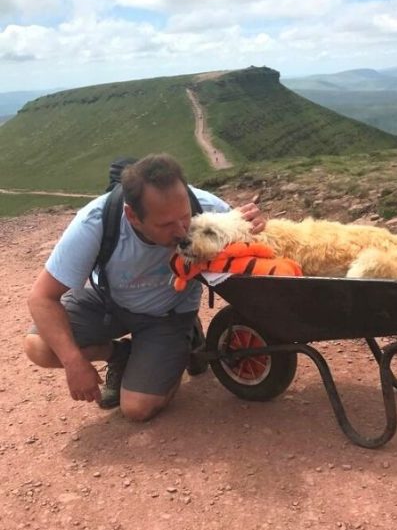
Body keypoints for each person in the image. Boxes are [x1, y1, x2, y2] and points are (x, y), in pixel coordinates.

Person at [23, 154, 265, 421]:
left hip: (168, 314)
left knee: (137, 409)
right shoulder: (96, 221)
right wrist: (73, 361)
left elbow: (256, 252)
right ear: (133, 216)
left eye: (185, 218)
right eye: (165, 224)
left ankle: (186, 336)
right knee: (40, 347)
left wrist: (256, 228)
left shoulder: (207, 207)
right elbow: (42, 298)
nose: (181, 231)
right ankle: (120, 354)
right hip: (109, 304)